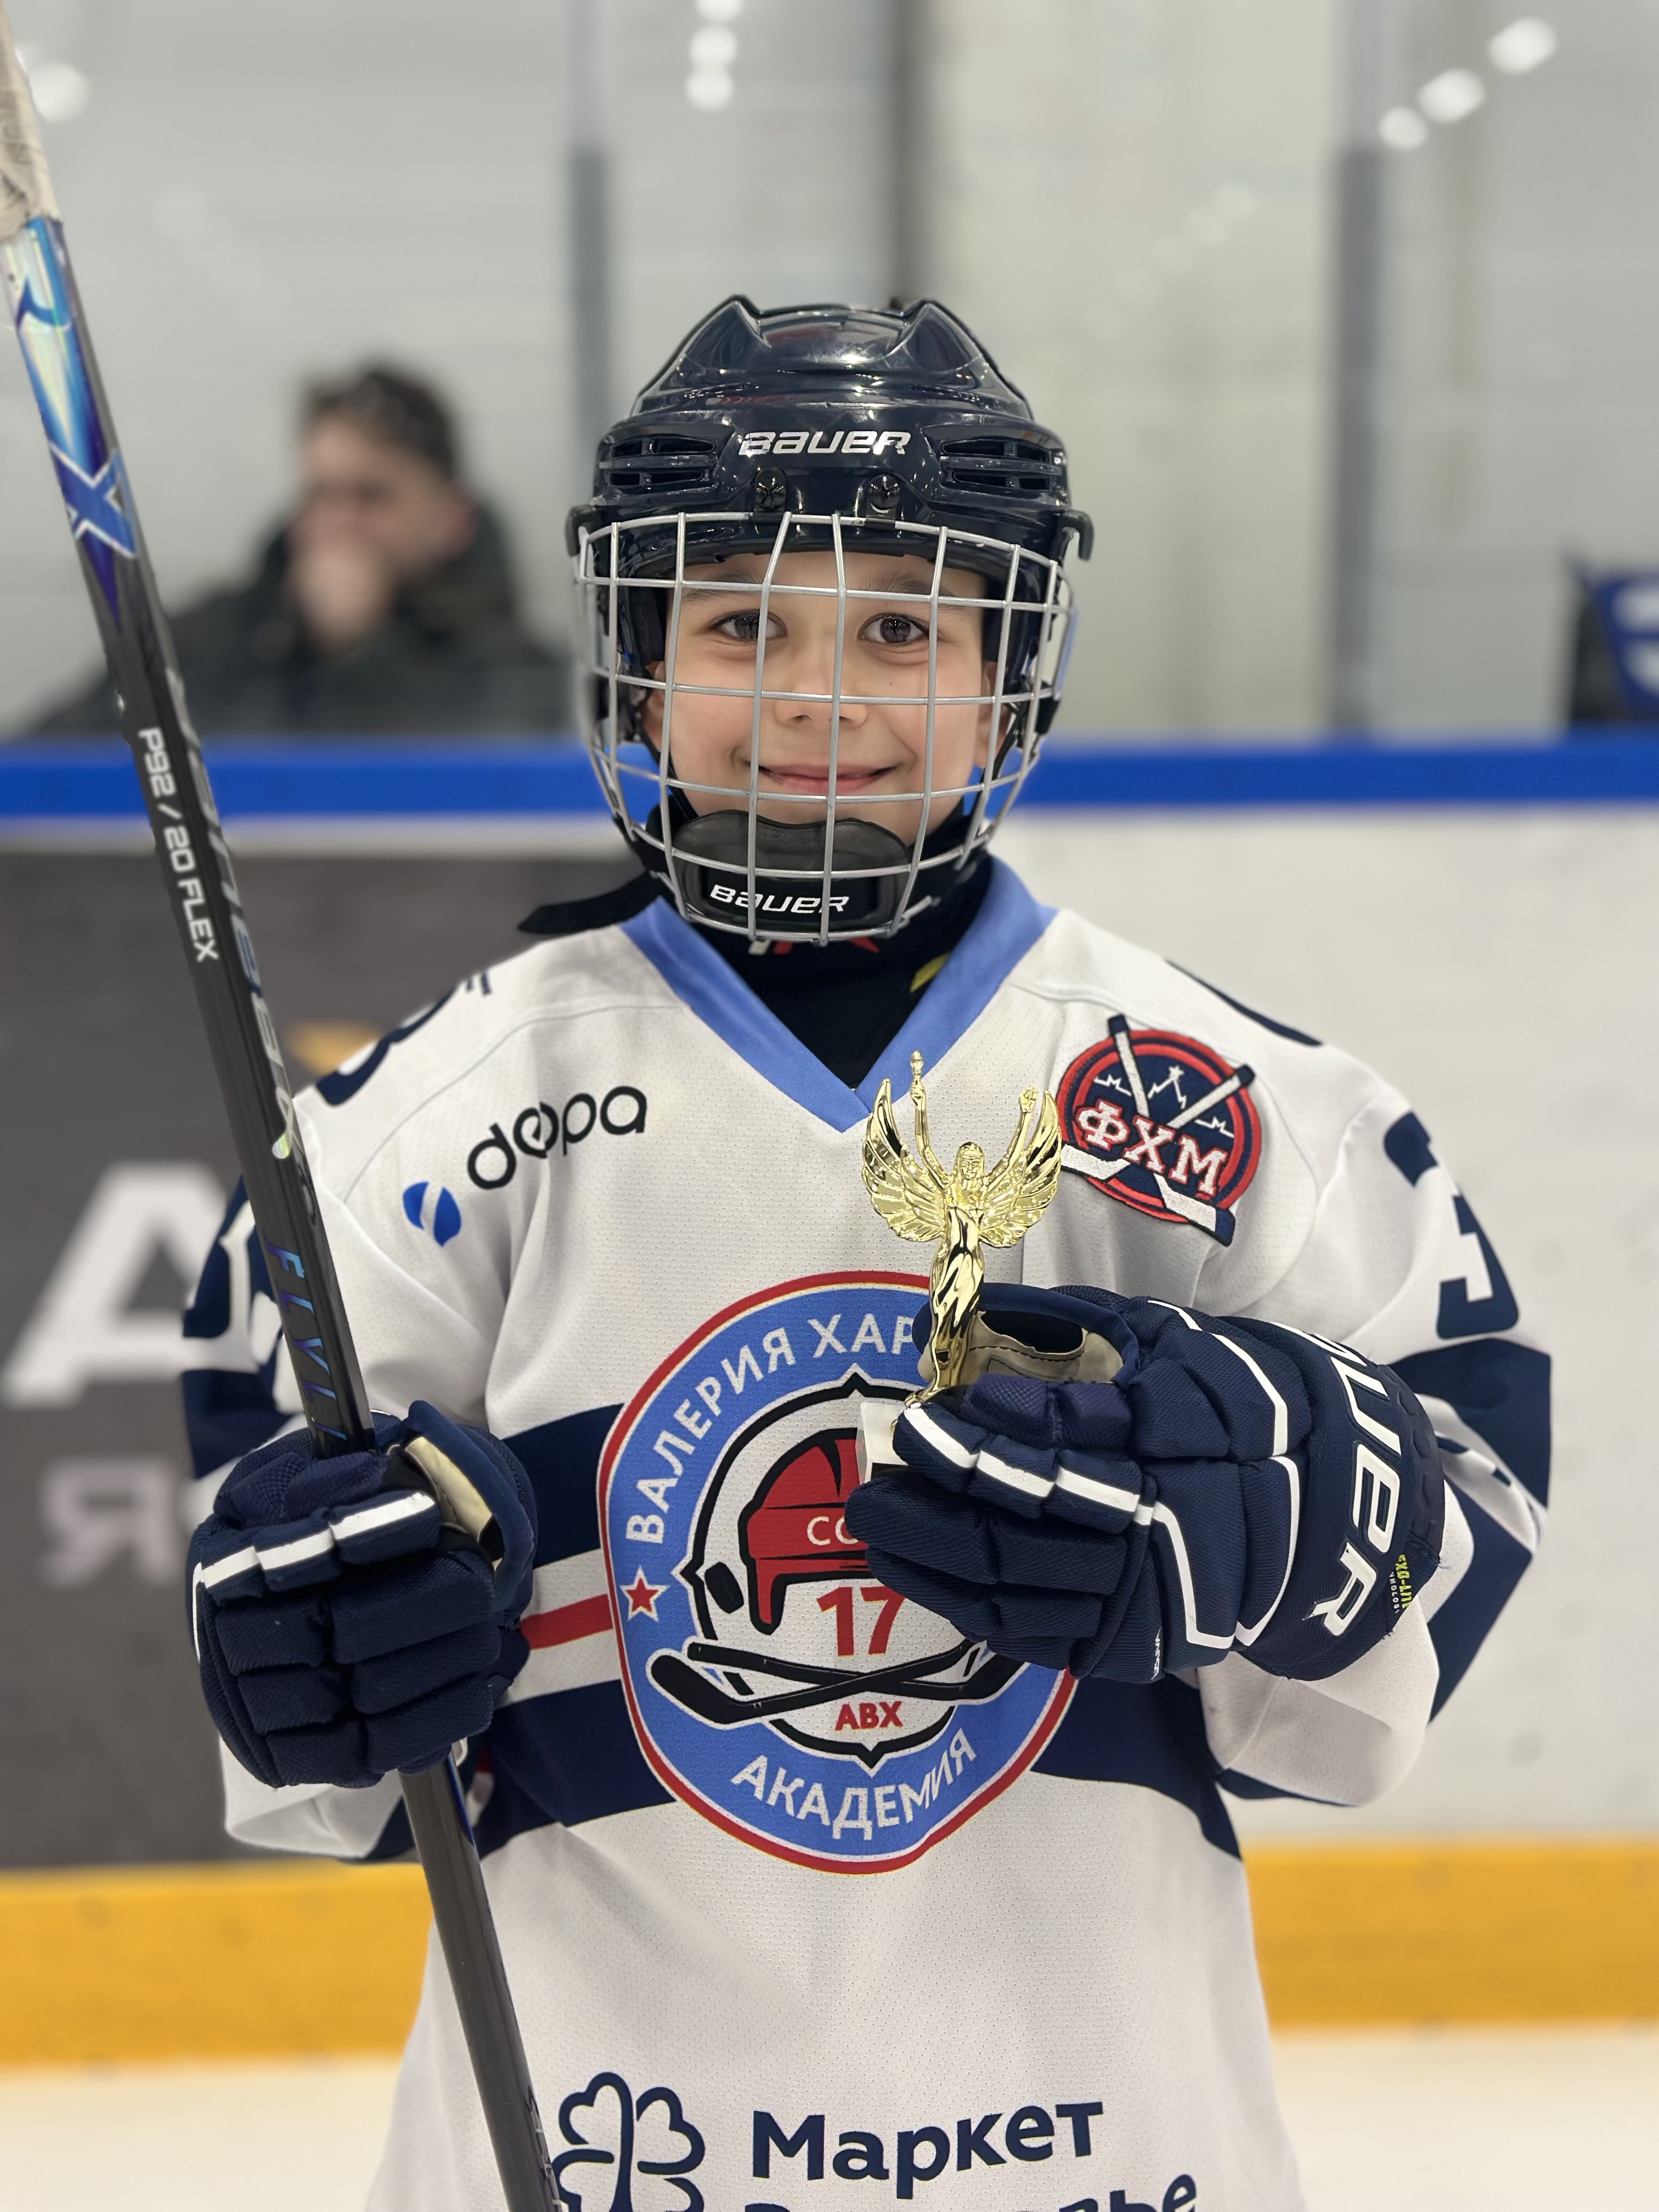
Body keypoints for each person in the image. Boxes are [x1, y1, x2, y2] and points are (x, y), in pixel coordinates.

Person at [180, 299, 1548, 2210]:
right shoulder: (429, 1127)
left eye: (902, 630)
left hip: (1112, 2154)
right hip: (600, 2144)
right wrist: (307, 1631)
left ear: (1009, 675)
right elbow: (308, 1690)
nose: (821, 697)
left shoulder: (1227, 1106)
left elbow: (1452, 1508)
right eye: (745, 626)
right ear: (638, 664)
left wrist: (1302, 1489)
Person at [27, 365, 568, 737]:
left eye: (371, 497)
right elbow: (47, 765)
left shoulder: (517, 672)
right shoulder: (207, 642)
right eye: (320, 494)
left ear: (453, 519)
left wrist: (362, 649)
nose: (338, 524)